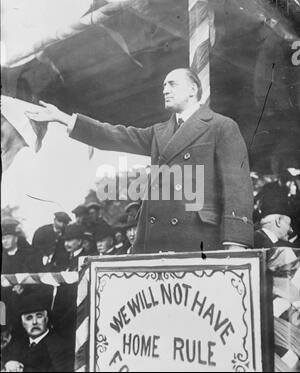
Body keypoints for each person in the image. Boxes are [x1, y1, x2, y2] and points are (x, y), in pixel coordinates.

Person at [25, 68, 254, 253]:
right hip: (155, 239)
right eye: (163, 85)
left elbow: (238, 187)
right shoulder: (159, 131)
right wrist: (62, 118)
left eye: (172, 84)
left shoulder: (221, 126)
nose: (165, 90)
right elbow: (114, 135)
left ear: (193, 89)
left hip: (200, 238)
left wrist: (235, 241)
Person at [2, 292, 73, 372]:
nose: (34, 322)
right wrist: (8, 363)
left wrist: (22, 369)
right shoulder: (18, 344)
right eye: (29, 318)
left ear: (46, 319)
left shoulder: (59, 346)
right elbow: (5, 357)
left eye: (39, 316)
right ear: (22, 323)